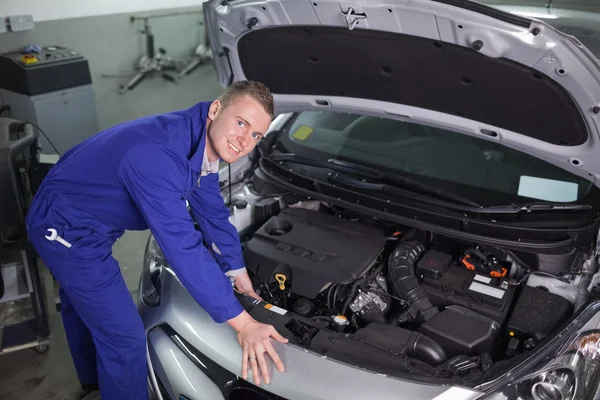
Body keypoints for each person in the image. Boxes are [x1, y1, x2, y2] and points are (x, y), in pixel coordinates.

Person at [25, 80, 288, 400]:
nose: (245, 141)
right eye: (241, 123)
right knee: (124, 339)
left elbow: (213, 214)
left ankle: (93, 380)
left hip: (88, 211)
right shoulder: (159, 157)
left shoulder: (200, 140)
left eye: (256, 134)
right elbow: (183, 247)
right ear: (217, 109)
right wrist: (244, 325)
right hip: (66, 227)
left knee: (82, 302)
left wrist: (236, 270)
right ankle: (106, 384)